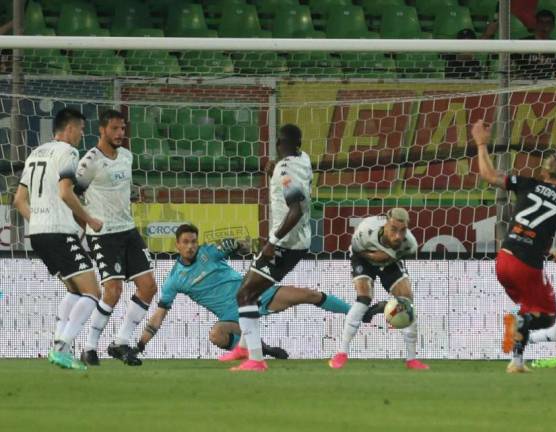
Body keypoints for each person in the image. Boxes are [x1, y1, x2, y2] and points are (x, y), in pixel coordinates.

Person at [136, 224, 349, 361]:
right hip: (231, 316)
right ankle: (263, 349)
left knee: (308, 295)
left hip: (254, 294)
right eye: (186, 242)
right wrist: (140, 344)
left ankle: (357, 312)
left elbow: (245, 246)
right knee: (216, 335)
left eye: (193, 241)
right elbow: (159, 314)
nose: (190, 246)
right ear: (177, 245)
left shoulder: (209, 253)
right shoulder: (174, 279)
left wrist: (238, 246)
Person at [471, 119, 556, 373]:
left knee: (529, 307)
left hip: (504, 259)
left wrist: (481, 144)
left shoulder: (527, 184)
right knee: (547, 314)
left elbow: (489, 175)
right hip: (527, 265)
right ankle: (515, 338)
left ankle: (516, 360)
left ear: (544, 173)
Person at [13, 107, 103, 370]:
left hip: (38, 233)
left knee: (74, 289)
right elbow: (65, 192)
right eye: (81, 130)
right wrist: (88, 219)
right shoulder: (68, 153)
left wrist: (39, 221)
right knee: (93, 292)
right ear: (70, 128)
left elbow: (19, 200)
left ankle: (58, 346)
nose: (81, 136)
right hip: (58, 231)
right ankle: (63, 348)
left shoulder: (35, 153)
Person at [75, 109, 157, 367]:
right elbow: (71, 196)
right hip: (103, 235)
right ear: (102, 130)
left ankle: (121, 342)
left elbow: (117, 190)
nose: (120, 133)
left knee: (148, 287)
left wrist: (131, 197)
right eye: (114, 129)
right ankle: (89, 347)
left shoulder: (126, 157)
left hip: (128, 230)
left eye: (123, 129)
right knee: (113, 290)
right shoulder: (89, 161)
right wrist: (86, 225)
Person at [233, 124, 313, 371]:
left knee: (244, 295)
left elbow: (295, 210)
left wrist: (272, 242)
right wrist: (275, 172)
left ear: (279, 143)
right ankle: (245, 349)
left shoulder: (283, 169)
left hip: (285, 244)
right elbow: (291, 185)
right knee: (249, 292)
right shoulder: (304, 159)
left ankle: (255, 360)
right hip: (299, 241)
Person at [329, 208, 429, 370]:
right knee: (364, 297)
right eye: (394, 230)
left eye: (403, 230)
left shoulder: (409, 244)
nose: (398, 236)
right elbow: (356, 250)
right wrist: (372, 257)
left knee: (406, 299)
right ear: (386, 224)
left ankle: (412, 359)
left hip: (389, 262)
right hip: (364, 258)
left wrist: (387, 256)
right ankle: (342, 353)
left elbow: (398, 255)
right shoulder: (365, 231)